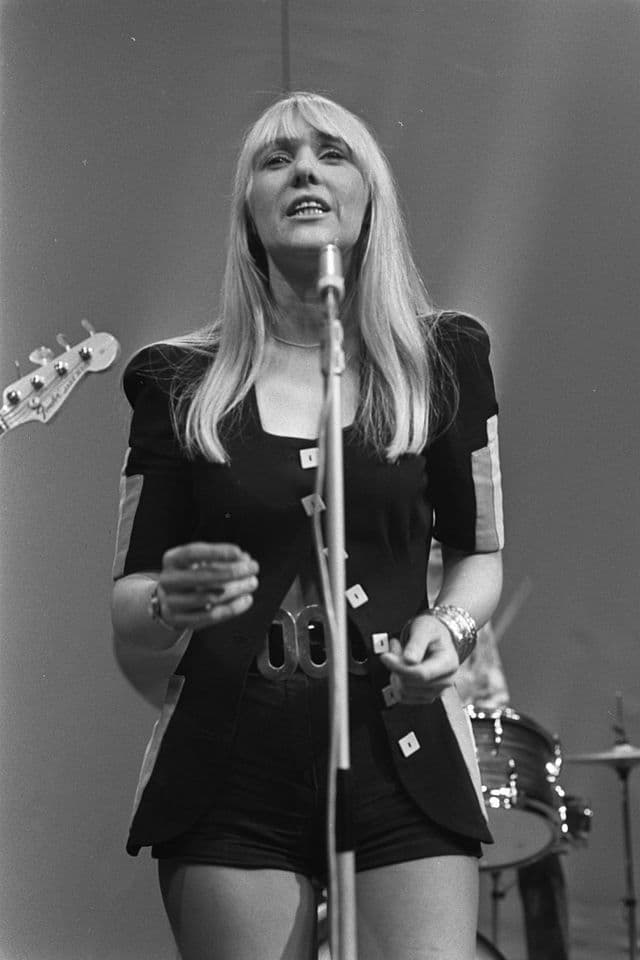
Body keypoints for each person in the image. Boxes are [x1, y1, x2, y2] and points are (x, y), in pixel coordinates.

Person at [111, 91, 505, 960]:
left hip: (400, 750)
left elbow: (480, 554)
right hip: (230, 764)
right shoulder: (176, 380)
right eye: (275, 159)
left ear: (371, 196)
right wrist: (169, 602)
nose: (303, 172)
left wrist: (448, 628)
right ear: (247, 210)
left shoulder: (444, 360)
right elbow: (130, 606)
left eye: (332, 154)